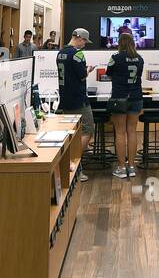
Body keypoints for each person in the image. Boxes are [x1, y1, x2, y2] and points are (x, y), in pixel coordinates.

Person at [56, 29, 100, 182]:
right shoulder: (78, 54)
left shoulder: (60, 53)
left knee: (70, 133)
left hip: (65, 98)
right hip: (78, 99)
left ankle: (69, 162)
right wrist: (88, 70)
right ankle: (73, 161)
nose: (84, 45)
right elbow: (81, 75)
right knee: (88, 128)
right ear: (79, 38)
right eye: (84, 42)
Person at [106, 31, 145, 177]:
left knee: (120, 132)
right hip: (136, 97)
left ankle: (122, 168)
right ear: (133, 43)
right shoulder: (139, 59)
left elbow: (108, 72)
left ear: (119, 43)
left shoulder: (115, 57)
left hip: (119, 99)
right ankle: (132, 167)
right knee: (132, 132)